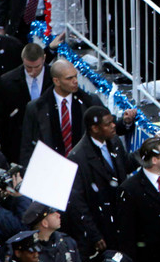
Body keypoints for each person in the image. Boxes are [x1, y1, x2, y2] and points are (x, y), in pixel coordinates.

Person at [19, 58, 135, 164]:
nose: (75, 81)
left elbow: (107, 126)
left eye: (75, 76)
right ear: (56, 81)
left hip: (83, 169)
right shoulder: (36, 107)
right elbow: (27, 146)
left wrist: (125, 122)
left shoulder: (89, 101)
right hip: (51, 168)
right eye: (69, 78)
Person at [68, 106, 134, 260]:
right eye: (108, 124)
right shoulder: (77, 157)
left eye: (113, 121)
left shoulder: (115, 141)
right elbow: (78, 202)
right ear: (95, 129)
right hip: (100, 226)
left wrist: (145, 153)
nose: (113, 126)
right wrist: (94, 235)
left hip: (120, 221)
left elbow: (124, 165)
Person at [0, 42, 50, 163]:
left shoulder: (54, 78)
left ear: (44, 58)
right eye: (28, 67)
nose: (32, 71)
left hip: (49, 142)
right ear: (23, 60)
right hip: (18, 144)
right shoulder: (7, 81)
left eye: (37, 67)